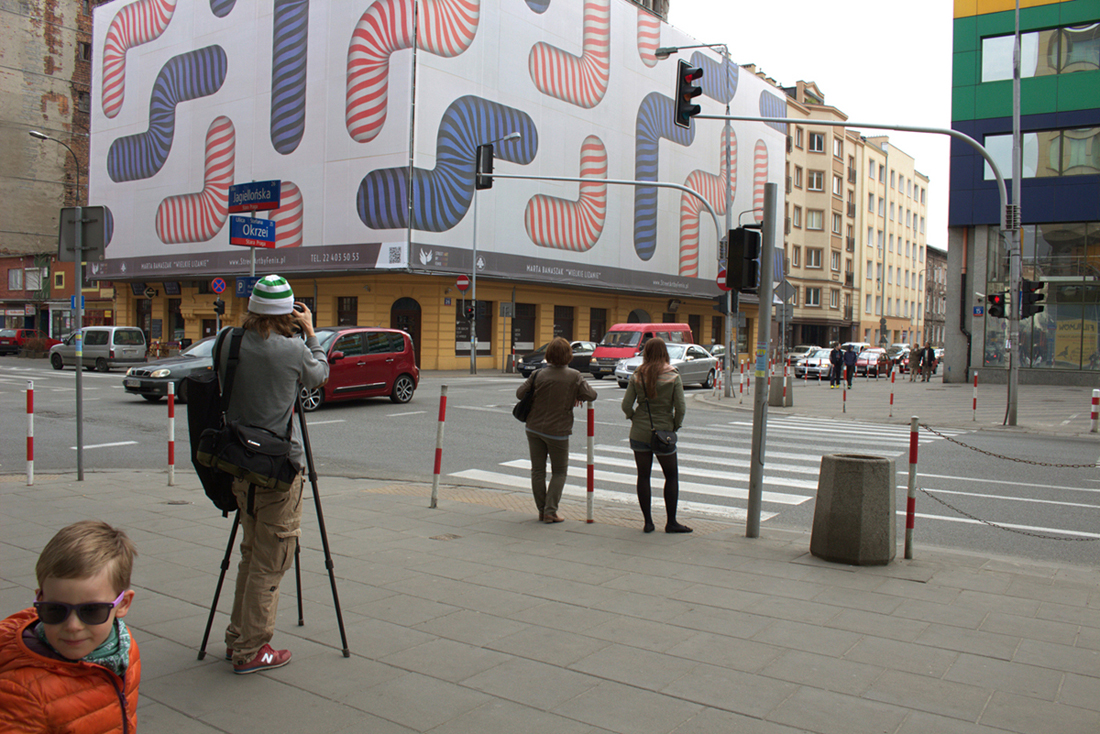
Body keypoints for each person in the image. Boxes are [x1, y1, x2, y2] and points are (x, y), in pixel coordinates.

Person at [216, 274, 329, 674]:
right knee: (272, 559)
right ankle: (252, 649)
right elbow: (319, 375)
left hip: (238, 463)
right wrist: (311, 333)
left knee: (250, 553)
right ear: (289, 314)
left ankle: (237, 637)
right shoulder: (293, 349)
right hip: (279, 469)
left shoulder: (228, 341)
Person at [0, 521, 140, 733]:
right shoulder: (22, 692)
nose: (73, 626)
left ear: (123, 604)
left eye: (92, 610)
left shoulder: (124, 646)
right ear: (40, 599)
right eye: (55, 610)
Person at [516, 336, 598, 523]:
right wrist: (576, 394)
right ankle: (550, 511)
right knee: (559, 471)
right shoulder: (574, 376)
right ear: (568, 355)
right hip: (558, 430)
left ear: (549, 354)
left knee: (537, 471)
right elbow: (591, 395)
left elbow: (520, 394)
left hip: (533, 427)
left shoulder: (538, 374)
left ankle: (542, 510)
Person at [621, 338, 691, 534]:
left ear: (646, 353)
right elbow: (681, 408)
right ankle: (671, 522)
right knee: (671, 476)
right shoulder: (673, 375)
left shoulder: (637, 375)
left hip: (639, 432)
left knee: (643, 476)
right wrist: (674, 426)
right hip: (664, 433)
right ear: (664, 352)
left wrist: (635, 418)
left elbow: (626, 405)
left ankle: (648, 522)